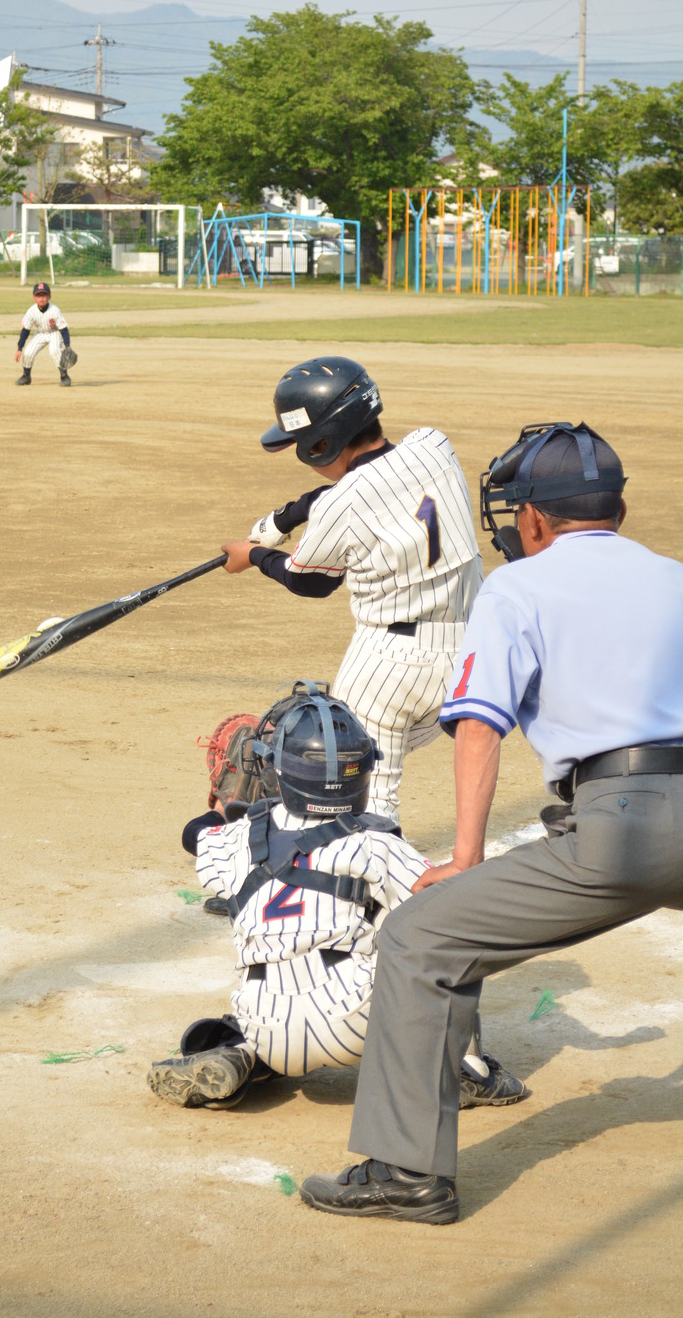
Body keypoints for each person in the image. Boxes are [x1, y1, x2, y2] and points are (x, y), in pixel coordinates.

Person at [298, 421, 683, 1225]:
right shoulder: (675, 578)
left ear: (536, 519)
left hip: (621, 831)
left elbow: (477, 724)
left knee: (420, 938)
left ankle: (405, 1173)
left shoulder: (518, 587)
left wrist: (466, 853)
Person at [147, 684, 525, 1112]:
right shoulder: (376, 842)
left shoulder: (239, 838)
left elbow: (194, 835)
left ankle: (243, 1053)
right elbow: (444, 899)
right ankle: (465, 1070)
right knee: (441, 922)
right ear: (364, 772)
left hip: (265, 1025)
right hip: (358, 1023)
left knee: (269, 971)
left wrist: (225, 805)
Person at [221, 357, 482, 820]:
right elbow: (377, 482)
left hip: (387, 668)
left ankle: (351, 877)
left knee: (352, 791)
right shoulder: (434, 445)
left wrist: (254, 556)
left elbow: (308, 581)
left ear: (323, 444)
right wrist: (287, 517)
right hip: (471, 657)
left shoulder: (338, 506)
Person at [15, 282, 73, 386]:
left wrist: (67, 346)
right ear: (34, 298)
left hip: (55, 332)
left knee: (55, 351)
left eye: (44, 295)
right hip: (40, 333)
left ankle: (64, 376)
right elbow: (25, 331)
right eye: (38, 295)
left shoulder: (54, 310)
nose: (41, 298)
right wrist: (20, 348)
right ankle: (26, 376)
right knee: (28, 352)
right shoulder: (31, 312)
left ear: (49, 297)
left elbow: (64, 329)